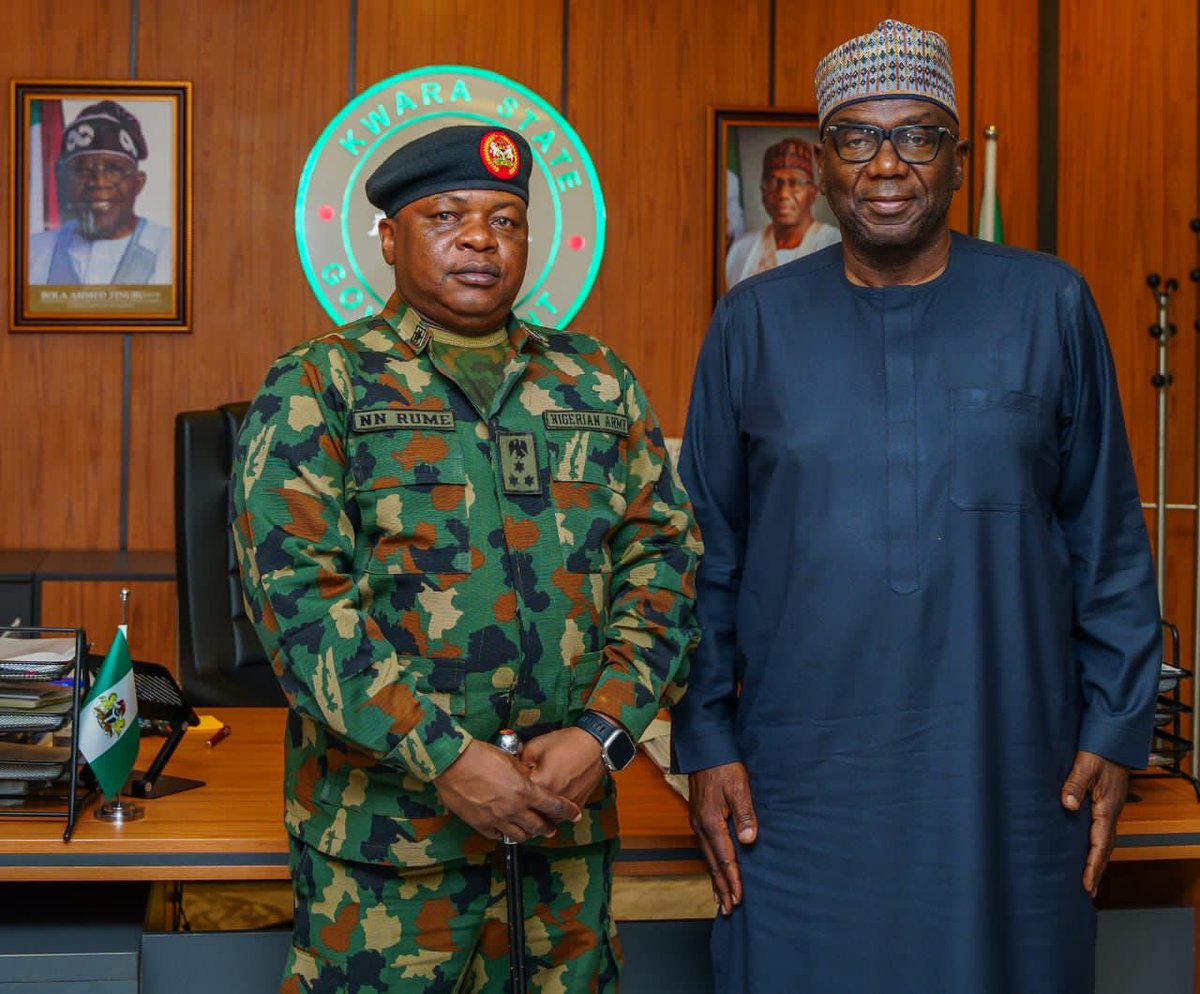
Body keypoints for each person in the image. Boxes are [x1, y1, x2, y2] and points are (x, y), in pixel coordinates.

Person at [672, 18, 1160, 994]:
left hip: (1007, 781)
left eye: (917, 134)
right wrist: (706, 742)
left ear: (953, 149)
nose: (886, 164)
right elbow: (704, 557)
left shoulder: (1049, 306)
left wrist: (1113, 730)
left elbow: (1106, 542)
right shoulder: (751, 325)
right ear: (822, 161)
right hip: (797, 792)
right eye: (856, 136)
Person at [233, 125, 701, 992]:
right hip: (390, 859)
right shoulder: (320, 385)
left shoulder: (595, 382)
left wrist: (604, 734)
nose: (481, 238)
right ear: (387, 238)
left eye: (506, 218)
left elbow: (664, 565)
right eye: (447, 214)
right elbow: (297, 608)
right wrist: (447, 757)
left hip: (565, 840)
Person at [28, 100, 172, 285]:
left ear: (138, 183)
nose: (99, 182)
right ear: (64, 182)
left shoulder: (172, 250)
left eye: (114, 170)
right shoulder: (34, 252)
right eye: (83, 171)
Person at [724, 137, 840, 288]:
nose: (783, 193)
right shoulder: (741, 249)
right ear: (763, 191)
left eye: (795, 183)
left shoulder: (835, 243)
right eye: (774, 182)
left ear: (812, 192)